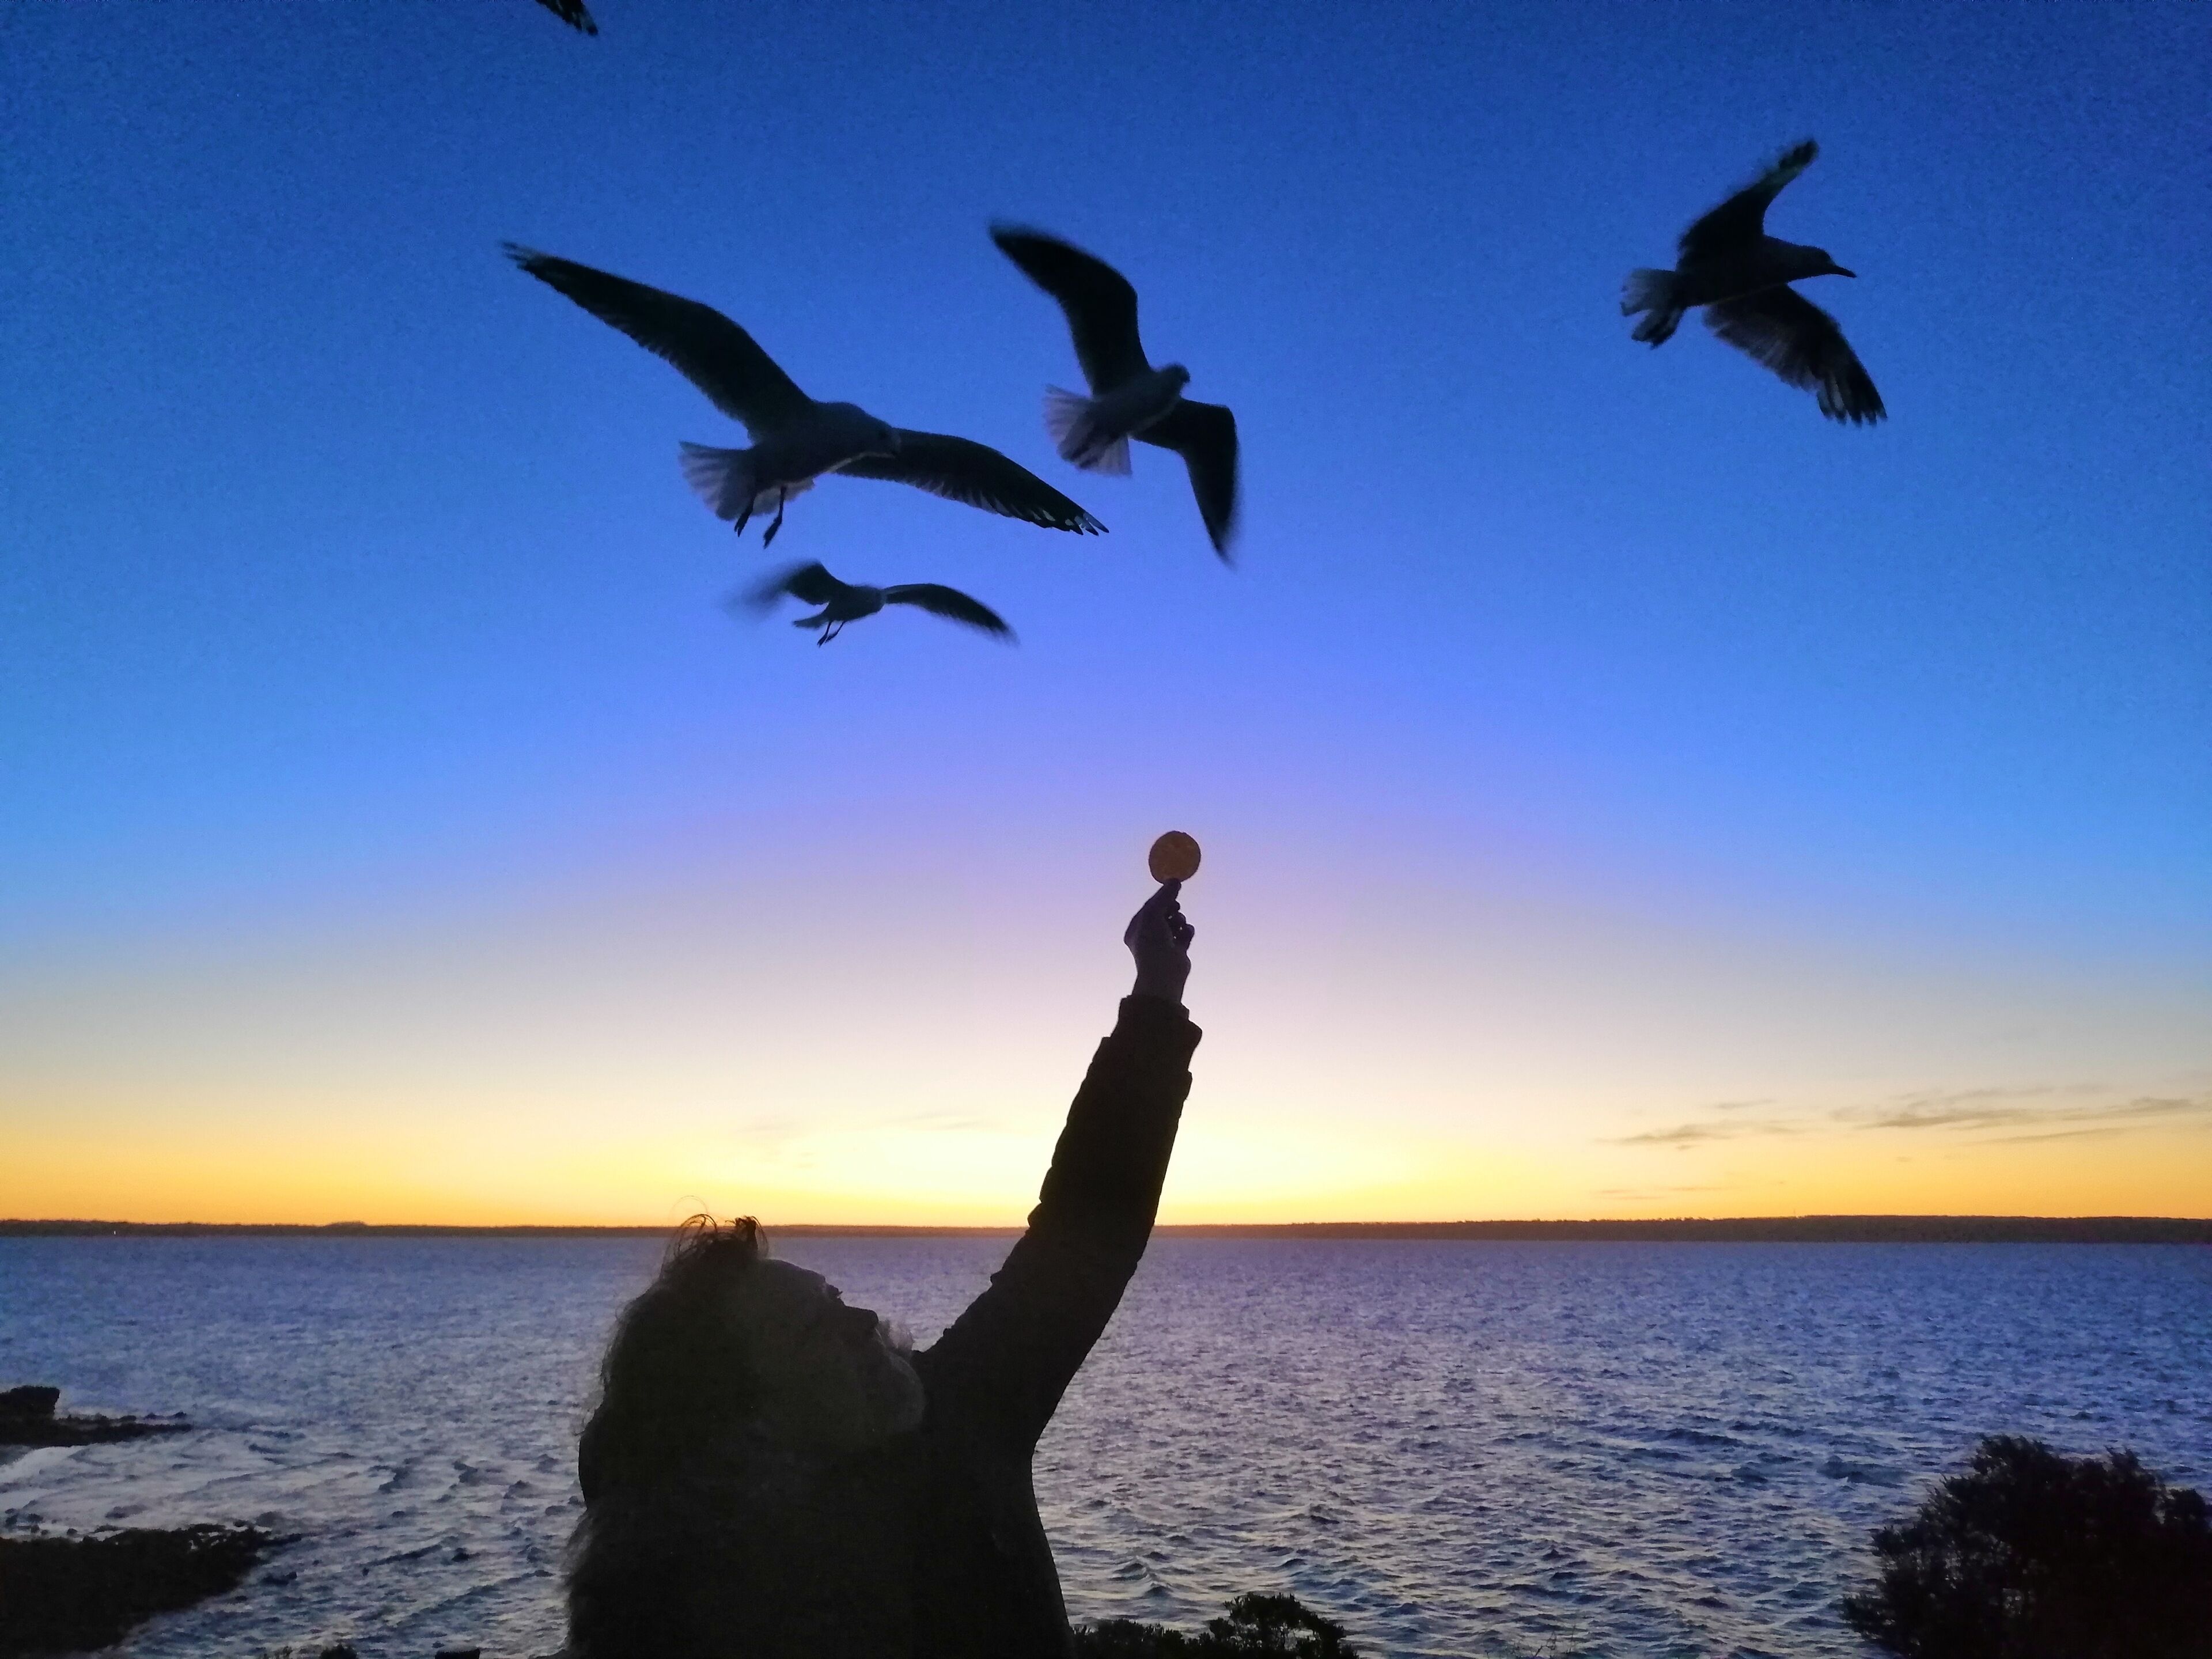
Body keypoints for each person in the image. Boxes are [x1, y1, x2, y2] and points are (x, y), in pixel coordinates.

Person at [565, 879, 1201, 1658]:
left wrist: (1156, 999)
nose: (862, 1321)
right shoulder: (689, 1601)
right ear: (749, 1420)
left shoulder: (960, 1414)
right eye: (815, 1330)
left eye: (836, 1297)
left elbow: (1083, 1232)